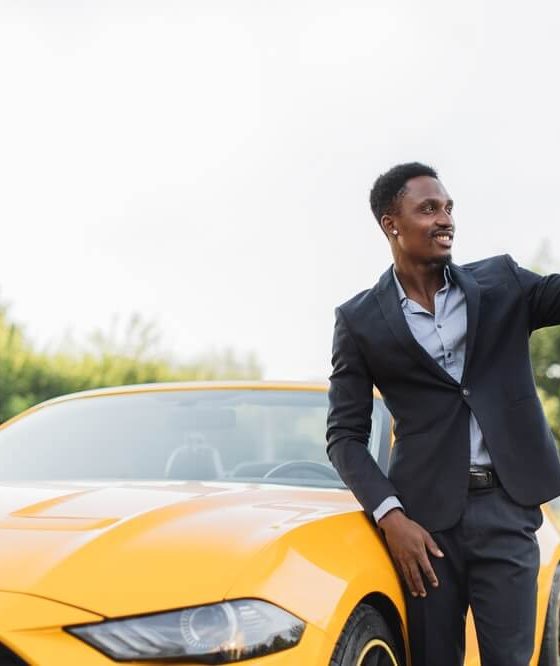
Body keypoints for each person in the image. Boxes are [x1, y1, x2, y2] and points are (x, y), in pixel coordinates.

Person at [326, 162, 560, 666]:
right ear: (391, 223)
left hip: (507, 507)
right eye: (428, 208)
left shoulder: (501, 282)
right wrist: (390, 517)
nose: (445, 218)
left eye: (448, 207)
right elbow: (344, 435)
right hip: (423, 528)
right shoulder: (359, 320)